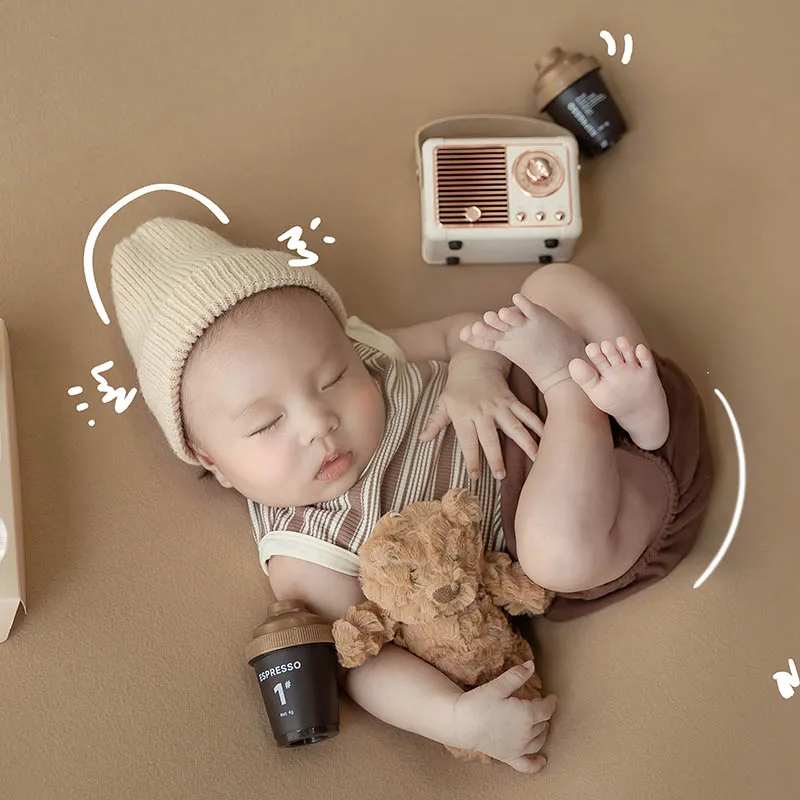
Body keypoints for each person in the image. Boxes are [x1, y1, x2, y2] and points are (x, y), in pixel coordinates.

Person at [110, 216, 713, 774]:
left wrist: (474, 371)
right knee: (554, 554)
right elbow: (363, 662)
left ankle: (640, 413)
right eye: (266, 423)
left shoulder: (371, 348)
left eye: (333, 378)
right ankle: (585, 401)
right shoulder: (300, 544)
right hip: (601, 509)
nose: (318, 421)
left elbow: (463, 333)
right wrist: (455, 718)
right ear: (214, 463)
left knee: (552, 283)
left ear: (348, 342)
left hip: (579, 381)